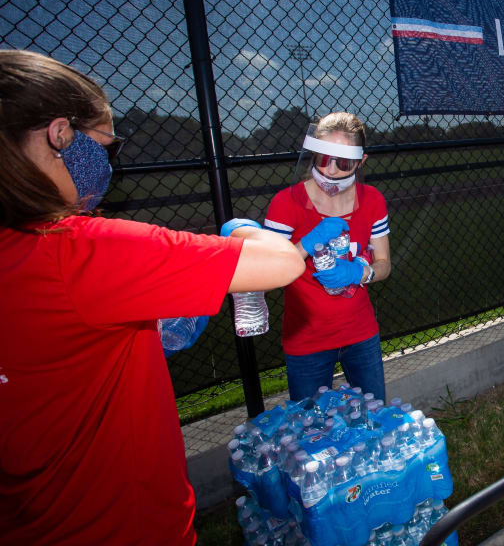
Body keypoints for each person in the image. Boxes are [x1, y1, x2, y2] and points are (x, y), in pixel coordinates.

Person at [0, 49, 305, 544]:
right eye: (107, 147)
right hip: (126, 527)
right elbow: (284, 262)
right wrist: (245, 230)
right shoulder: (82, 248)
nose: (108, 163)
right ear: (60, 135)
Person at [264, 112, 392, 402]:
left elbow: (384, 264)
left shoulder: (372, 199)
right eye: (323, 158)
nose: (332, 170)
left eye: (343, 162)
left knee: (373, 415)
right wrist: (305, 245)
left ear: (361, 162)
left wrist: (361, 273)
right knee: (312, 429)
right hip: (307, 339)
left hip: (360, 333)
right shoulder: (286, 203)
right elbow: (267, 276)